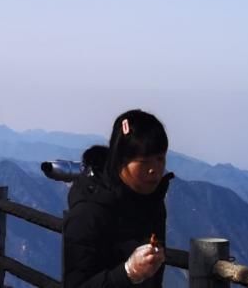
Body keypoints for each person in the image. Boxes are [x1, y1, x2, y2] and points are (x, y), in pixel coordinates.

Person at [63, 110, 172, 288]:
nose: (155, 170)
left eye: (160, 159)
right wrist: (128, 272)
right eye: (144, 162)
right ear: (120, 160)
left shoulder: (153, 202)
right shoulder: (87, 213)